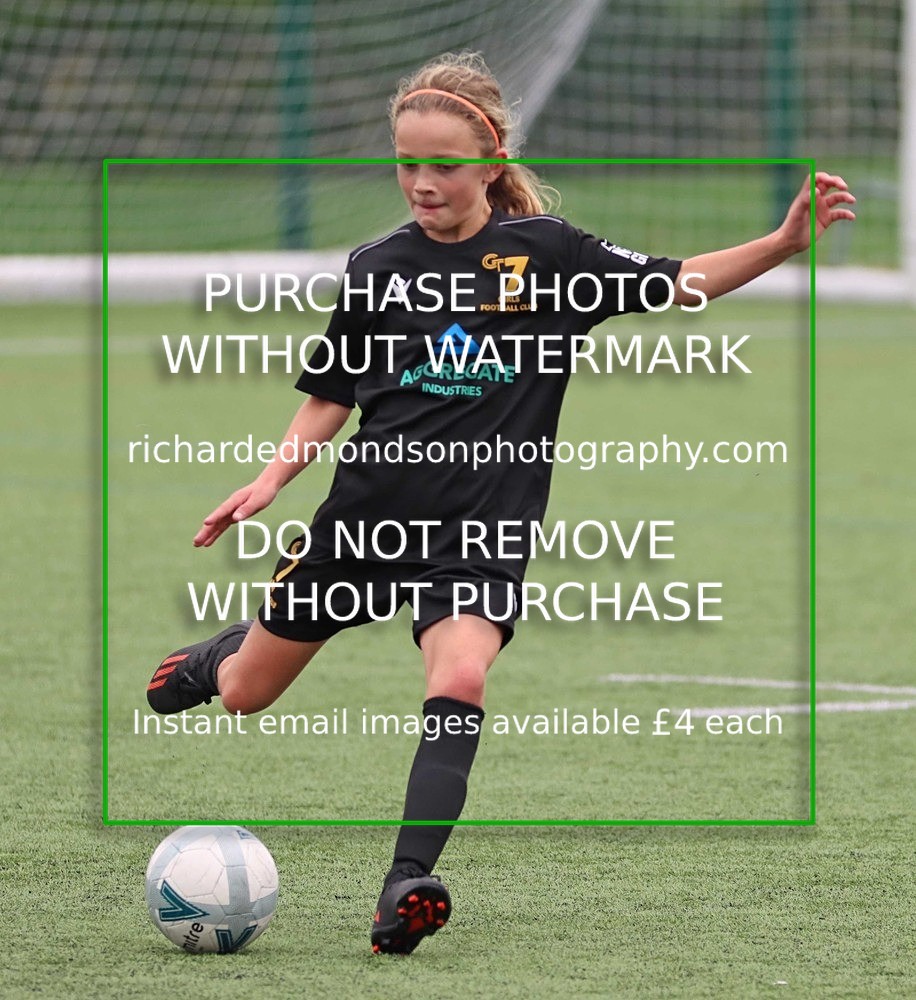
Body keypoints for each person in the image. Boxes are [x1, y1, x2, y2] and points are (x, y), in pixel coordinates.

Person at [145, 52, 855, 954]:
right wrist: (271, 478)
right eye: (407, 163)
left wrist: (784, 243)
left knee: (462, 674)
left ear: (490, 162)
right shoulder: (377, 267)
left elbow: (682, 282)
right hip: (367, 521)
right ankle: (219, 659)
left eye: (443, 165)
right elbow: (333, 390)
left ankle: (406, 886)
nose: (422, 183)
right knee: (249, 694)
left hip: (481, 530)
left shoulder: (550, 258)